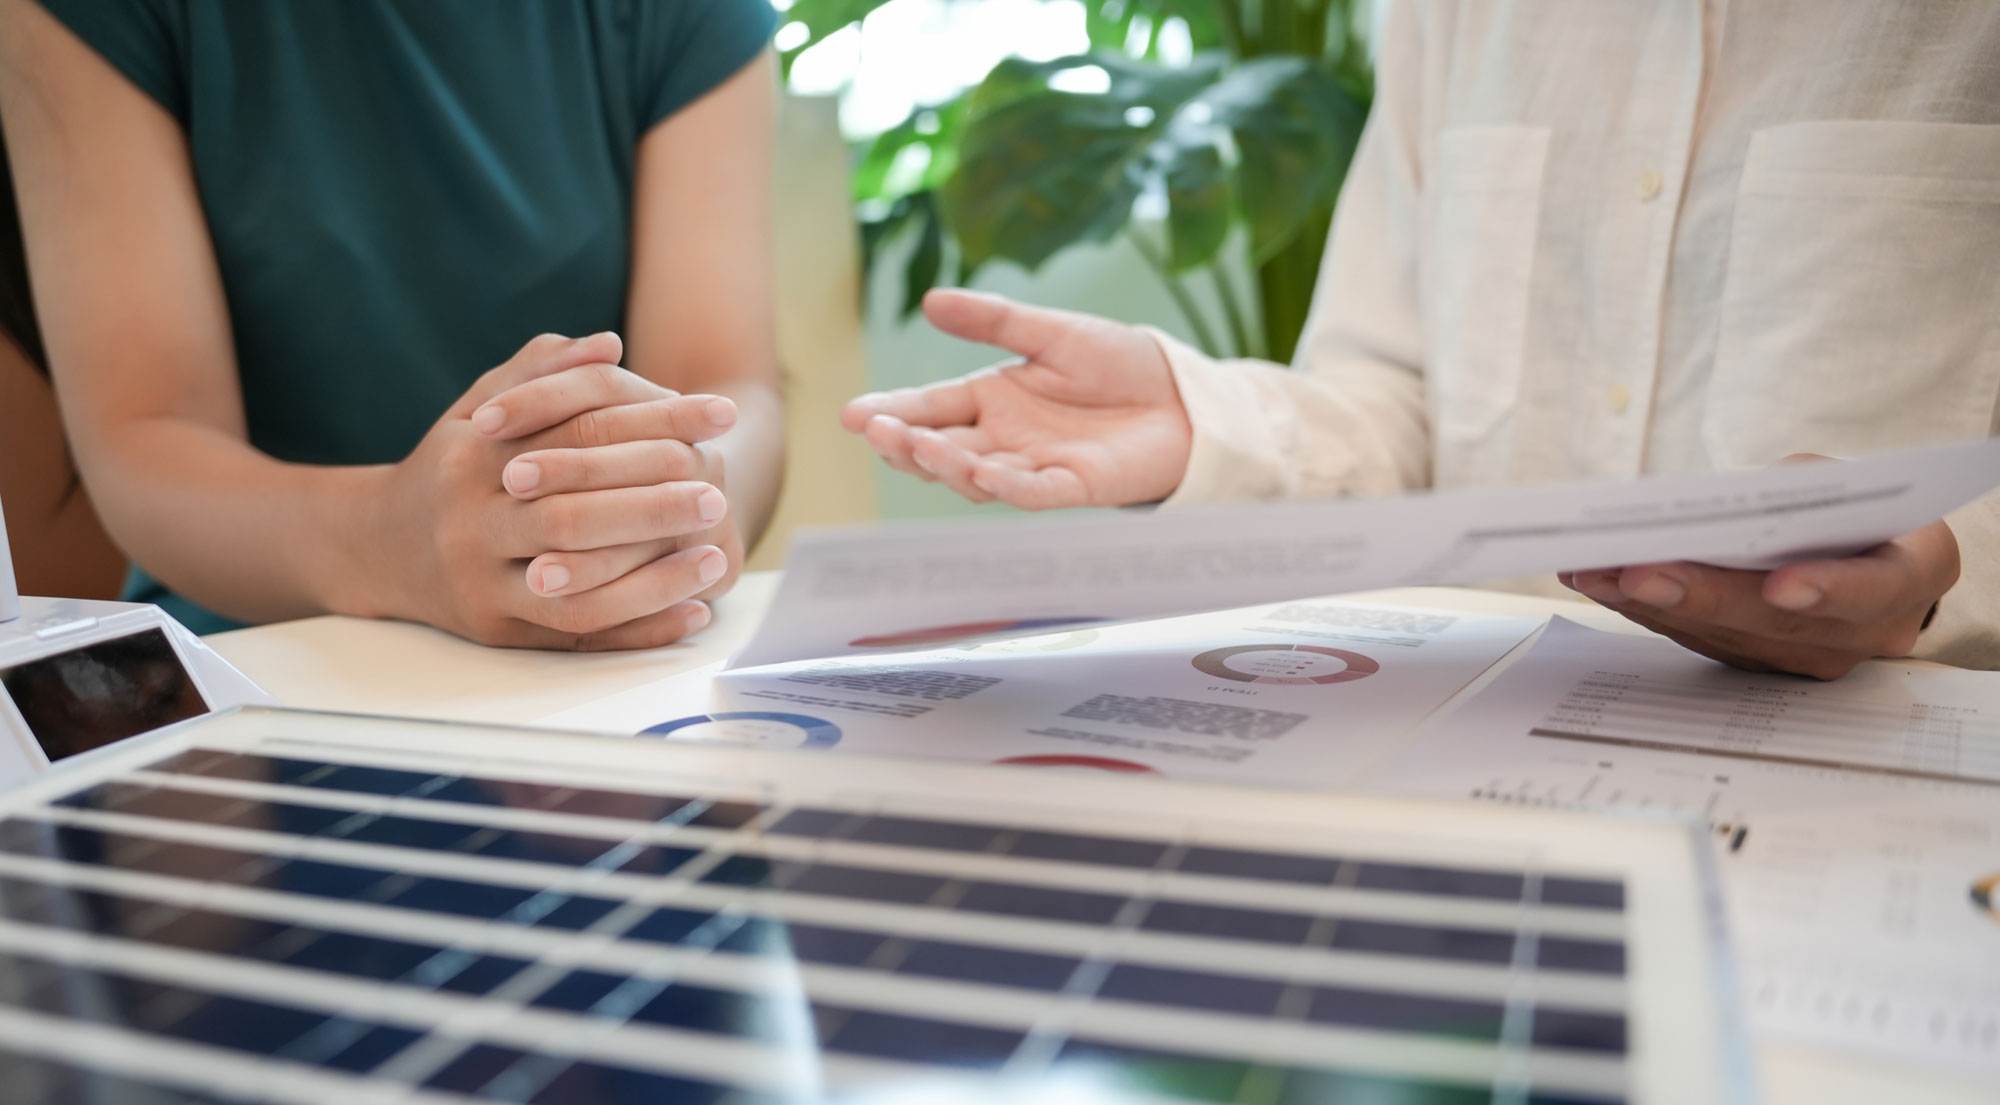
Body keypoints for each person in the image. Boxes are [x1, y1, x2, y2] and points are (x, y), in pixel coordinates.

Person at [843, 1, 2000, 678]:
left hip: (1910, 749)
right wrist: (1202, 423)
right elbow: (1393, 388)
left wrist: (1944, 564)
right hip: (1474, 721)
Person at [0, 0, 783, 649]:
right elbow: (146, 437)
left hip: (612, 646)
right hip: (265, 651)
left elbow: (727, 388)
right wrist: (390, 539)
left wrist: (689, 507)